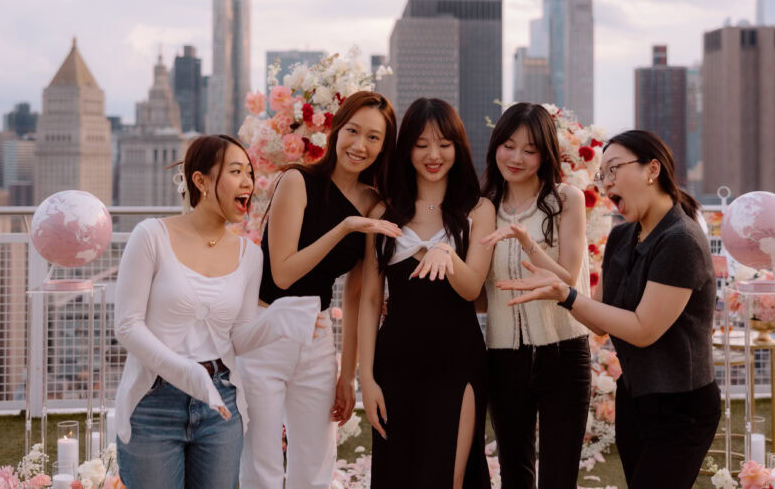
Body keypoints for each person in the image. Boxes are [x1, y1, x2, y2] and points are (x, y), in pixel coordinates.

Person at [497, 129, 720, 489]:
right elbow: (599, 318)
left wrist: (565, 295)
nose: (606, 183)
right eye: (602, 174)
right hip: (635, 400)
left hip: (682, 409)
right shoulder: (622, 236)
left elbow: (643, 330)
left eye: (614, 169)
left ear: (652, 170)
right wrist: (541, 264)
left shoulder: (681, 240)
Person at [114, 134, 320, 489]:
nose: (248, 182)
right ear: (201, 181)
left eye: (250, 173)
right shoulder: (151, 236)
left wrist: (280, 320)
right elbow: (127, 326)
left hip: (220, 405)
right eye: (236, 171)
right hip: (153, 403)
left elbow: (238, 337)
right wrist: (189, 374)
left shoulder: (249, 255)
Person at [239, 91, 401, 489]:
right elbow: (283, 273)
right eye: (353, 131)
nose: (360, 145)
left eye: (374, 138)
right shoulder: (298, 181)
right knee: (262, 464)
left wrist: (348, 375)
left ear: (384, 147)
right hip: (266, 327)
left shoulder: (373, 204)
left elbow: (356, 295)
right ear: (336, 130)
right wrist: (344, 228)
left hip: (317, 331)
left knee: (315, 465)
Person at [358, 98, 495, 489]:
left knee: (450, 477)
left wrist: (447, 253)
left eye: (444, 144)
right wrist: (366, 379)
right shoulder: (383, 212)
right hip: (395, 366)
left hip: (458, 362)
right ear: (407, 149)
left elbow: (472, 288)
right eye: (421, 145)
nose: (433, 155)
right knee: (398, 477)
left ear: (458, 147)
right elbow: (370, 300)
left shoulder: (478, 209)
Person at [479, 102, 592, 489]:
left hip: (563, 352)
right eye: (508, 146)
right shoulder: (484, 207)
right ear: (496, 146)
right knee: (515, 473)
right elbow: (480, 291)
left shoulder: (566, 199)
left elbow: (567, 279)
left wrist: (528, 244)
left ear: (545, 155)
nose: (516, 158)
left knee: (559, 476)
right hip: (502, 356)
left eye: (529, 150)